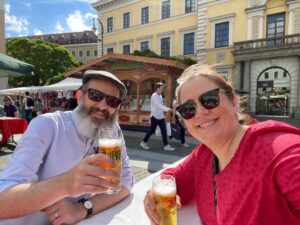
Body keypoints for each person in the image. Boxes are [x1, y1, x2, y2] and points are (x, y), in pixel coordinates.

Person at [144, 64, 300, 225]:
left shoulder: (279, 152)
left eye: (210, 99)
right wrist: (155, 191)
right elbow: (174, 177)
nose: (200, 112)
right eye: (188, 109)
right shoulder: (205, 154)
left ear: (233, 101)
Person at [0, 70, 134, 225]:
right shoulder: (47, 125)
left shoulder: (111, 131)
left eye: (112, 101)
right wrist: (65, 184)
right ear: (79, 97)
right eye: (95, 95)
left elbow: (125, 181)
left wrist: (82, 209)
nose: (103, 105)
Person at [140, 82, 175, 151]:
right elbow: (158, 106)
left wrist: (163, 115)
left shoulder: (160, 96)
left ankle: (166, 146)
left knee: (164, 131)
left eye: (163, 88)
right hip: (154, 117)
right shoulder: (154, 95)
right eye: (162, 88)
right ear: (157, 88)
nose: (162, 89)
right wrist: (168, 109)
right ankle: (143, 142)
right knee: (152, 131)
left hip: (160, 117)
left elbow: (160, 106)